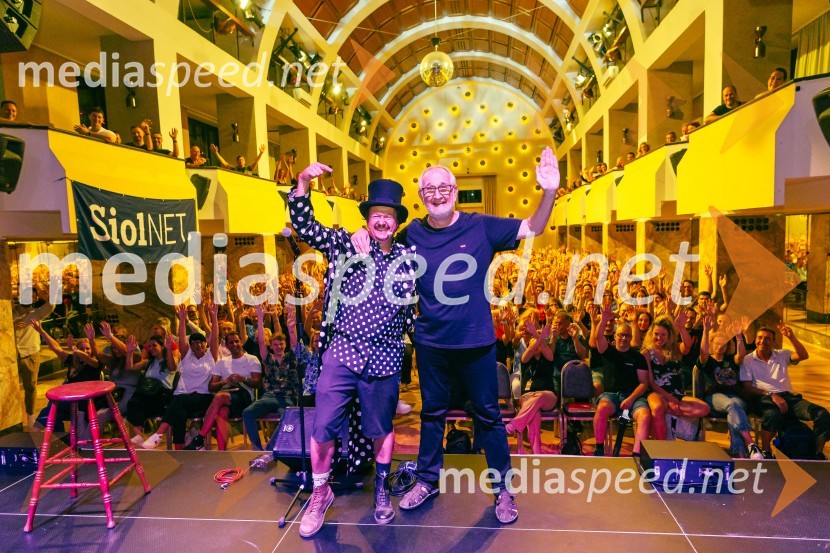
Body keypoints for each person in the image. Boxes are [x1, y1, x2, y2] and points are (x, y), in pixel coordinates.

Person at [352, 147, 560, 524]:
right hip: (431, 345)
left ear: (456, 189)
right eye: (429, 189)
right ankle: (427, 480)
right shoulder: (411, 231)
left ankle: (503, 491)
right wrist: (360, 230)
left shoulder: (480, 226)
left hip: (477, 344)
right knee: (431, 414)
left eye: (443, 186)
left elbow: (533, 226)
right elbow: (381, 237)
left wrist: (549, 193)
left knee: (489, 417)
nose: (437, 193)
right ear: (421, 197)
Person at [290, 162, 417, 537]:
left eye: (388, 216)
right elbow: (305, 227)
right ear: (368, 218)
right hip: (342, 352)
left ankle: (380, 492)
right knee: (323, 427)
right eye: (376, 215)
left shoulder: (408, 259)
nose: (381, 221)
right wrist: (302, 183)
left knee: (381, 427)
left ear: (397, 222)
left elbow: (416, 309)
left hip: (384, 358)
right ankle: (320, 494)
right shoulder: (346, 244)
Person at [740, 325, 830, 460]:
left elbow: (803, 355)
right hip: (762, 397)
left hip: (788, 397)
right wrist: (771, 394)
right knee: (772, 414)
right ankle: (766, 450)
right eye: (760, 338)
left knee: (822, 414)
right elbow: (747, 387)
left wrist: (791, 337)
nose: (762, 341)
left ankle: (817, 452)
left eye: (767, 339)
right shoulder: (748, 359)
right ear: (755, 340)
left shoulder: (782, 354)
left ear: (773, 342)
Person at [141, 303, 220, 449]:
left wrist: (214, 317)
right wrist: (182, 320)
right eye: (194, 342)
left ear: (205, 344)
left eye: (200, 342)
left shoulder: (210, 356)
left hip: (203, 397)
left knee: (178, 402)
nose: (197, 345)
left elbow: (214, 337)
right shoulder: (187, 357)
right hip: (184, 397)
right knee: (179, 412)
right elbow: (182, 339)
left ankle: (158, 434)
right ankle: (179, 448)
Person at [589, 305, 651, 457]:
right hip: (611, 395)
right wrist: (603, 320)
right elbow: (598, 337)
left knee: (645, 415)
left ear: (631, 338)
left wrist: (631, 399)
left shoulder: (638, 357)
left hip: (633, 397)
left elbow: (644, 383)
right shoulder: (608, 351)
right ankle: (599, 449)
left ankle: (636, 455)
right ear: (615, 336)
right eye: (621, 335)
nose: (624, 338)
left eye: (627, 336)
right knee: (602, 409)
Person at [699, 316, 763, 459]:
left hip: (735, 396)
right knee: (731, 405)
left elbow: (740, 355)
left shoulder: (731, 360)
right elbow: (703, 352)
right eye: (717, 344)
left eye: (724, 344)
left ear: (728, 346)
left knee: (734, 409)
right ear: (712, 345)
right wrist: (706, 330)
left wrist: (739, 336)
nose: (720, 347)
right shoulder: (708, 361)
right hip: (714, 397)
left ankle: (741, 455)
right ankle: (750, 442)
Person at [242, 304, 300, 450]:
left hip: (287, 398)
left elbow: (295, 342)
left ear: (285, 345)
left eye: (281, 344)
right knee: (247, 413)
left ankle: (270, 448)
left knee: (288, 419)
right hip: (269, 396)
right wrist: (260, 318)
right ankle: (256, 447)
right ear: (271, 346)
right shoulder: (267, 358)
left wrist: (291, 324)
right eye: (275, 344)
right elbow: (261, 341)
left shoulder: (291, 358)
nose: (279, 347)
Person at [13, 288, 53, 429]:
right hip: (10, 355)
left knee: (30, 386)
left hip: (30, 353)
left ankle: (30, 416)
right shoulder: (8, 312)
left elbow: (51, 305)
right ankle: (11, 417)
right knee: (9, 387)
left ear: (35, 299)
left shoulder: (36, 313)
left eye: (32, 296)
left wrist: (47, 297)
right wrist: (12, 325)